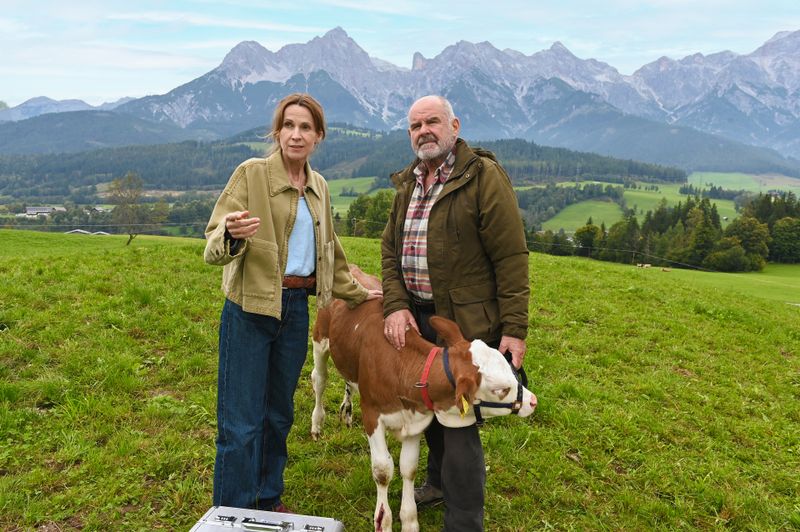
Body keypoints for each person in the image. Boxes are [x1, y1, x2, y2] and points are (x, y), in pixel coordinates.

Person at [203, 93, 381, 512]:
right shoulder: (251, 174)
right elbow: (212, 244)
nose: (295, 134)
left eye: (305, 127)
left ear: (318, 136)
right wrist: (230, 233)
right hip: (250, 309)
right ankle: (234, 511)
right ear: (277, 132)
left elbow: (329, 252)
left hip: (297, 310)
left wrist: (359, 293)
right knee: (240, 423)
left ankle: (267, 499)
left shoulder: (319, 186)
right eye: (288, 126)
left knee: (279, 415)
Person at [381, 95, 530, 531]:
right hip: (419, 321)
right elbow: (390, 251)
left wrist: (515, 329)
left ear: (455, 126)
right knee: (429, 403)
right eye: (414, 126)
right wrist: (395, 305)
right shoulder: (409, 181)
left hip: (466, 325)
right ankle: (438, 483)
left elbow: (511, 257)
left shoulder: (482, 177)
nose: (423, 131)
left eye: (432, 122)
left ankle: (464, 521)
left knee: (459, 420)